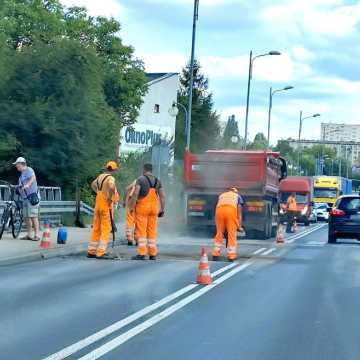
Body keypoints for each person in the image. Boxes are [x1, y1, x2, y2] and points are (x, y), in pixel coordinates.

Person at [129, 163, 165, 260]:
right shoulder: (158, 181)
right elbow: (162, 196)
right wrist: (162, 209)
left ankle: (141, 253)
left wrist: (131, 207)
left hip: (142, 208)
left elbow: (136, 193)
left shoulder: (140, 179)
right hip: (154, 209)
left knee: (141, 231)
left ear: (144, 169)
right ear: (151, 170)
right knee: (152, 231)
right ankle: (152, 253)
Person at [87, 161, 120, 259]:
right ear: (113, 170)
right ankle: (101, 252)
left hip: (98, 204)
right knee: (106, 228)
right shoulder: (110, 178)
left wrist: (98, 192)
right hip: (105, 204)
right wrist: (110, 196)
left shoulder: (100, 177)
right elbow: (111, 186)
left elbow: (93, 184)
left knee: (96, 228)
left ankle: (91, 251)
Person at [212, 187, 244, 262]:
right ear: (236, 192)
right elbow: (239, 214)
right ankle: (231, 256)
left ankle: (215, 253)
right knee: (231, 234)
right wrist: (239, 226)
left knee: (219, 233)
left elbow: (218, 206)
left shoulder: (222, 195)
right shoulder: (238, 196)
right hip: (230, 212)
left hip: (219, 212)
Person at [13, 157, 40, 241]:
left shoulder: (29, 170)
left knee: (33, 216)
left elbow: (33, 178)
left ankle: (37, 235)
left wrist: (28, 184)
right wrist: (17, 189)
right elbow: (21, 187)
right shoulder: (21, 176)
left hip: (32, 197)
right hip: (25, 198)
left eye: (17, 164)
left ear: (21, 164)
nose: (16, 166)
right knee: (26, 217)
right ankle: (29, 235)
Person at [124, 180, 137, 246]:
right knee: (138, 222)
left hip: (130, 205)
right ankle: (137, 238)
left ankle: (130, 239)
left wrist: (124, 201)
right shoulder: (143, 182)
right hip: (139, 205)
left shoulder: (135, 182)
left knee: (129, 222)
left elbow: (129, 193)